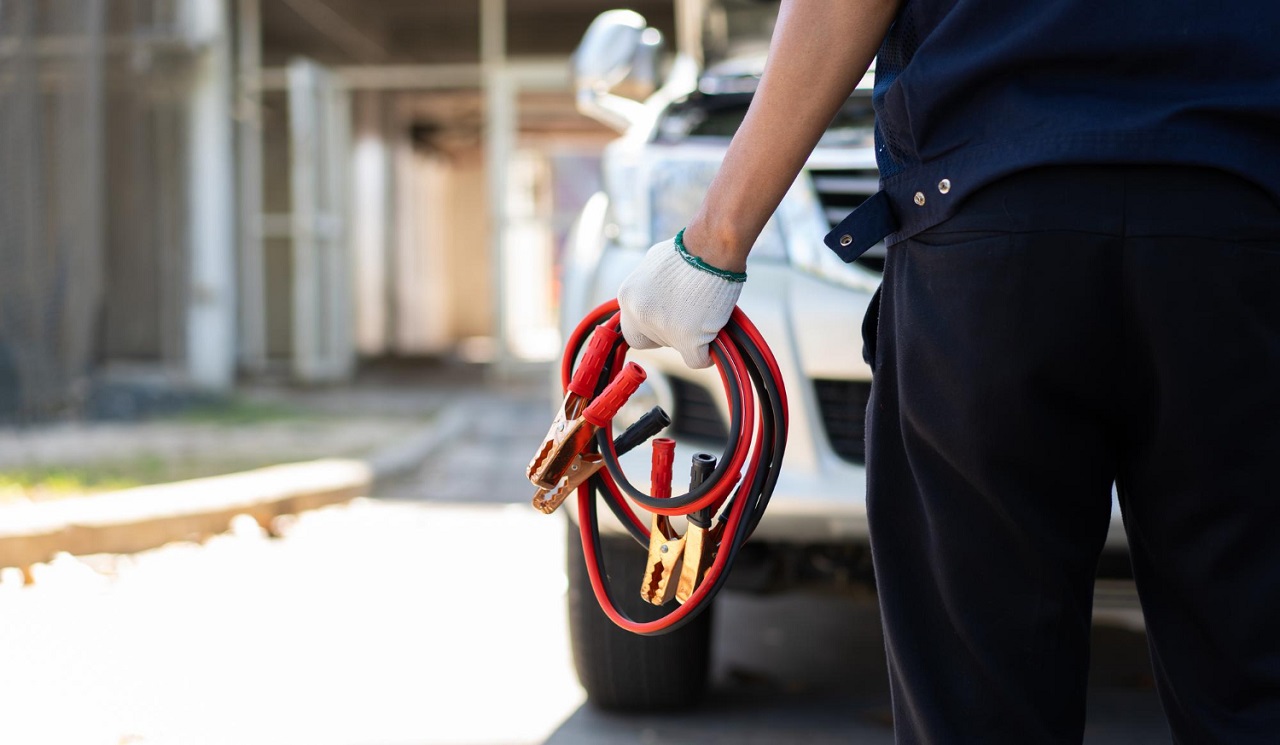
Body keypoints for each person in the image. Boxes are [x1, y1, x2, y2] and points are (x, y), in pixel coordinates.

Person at [617, 0, 1280, 741]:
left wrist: (716, 238)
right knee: (1257, 685)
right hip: (1238, 227)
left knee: (979, 709)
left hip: (992, 235)